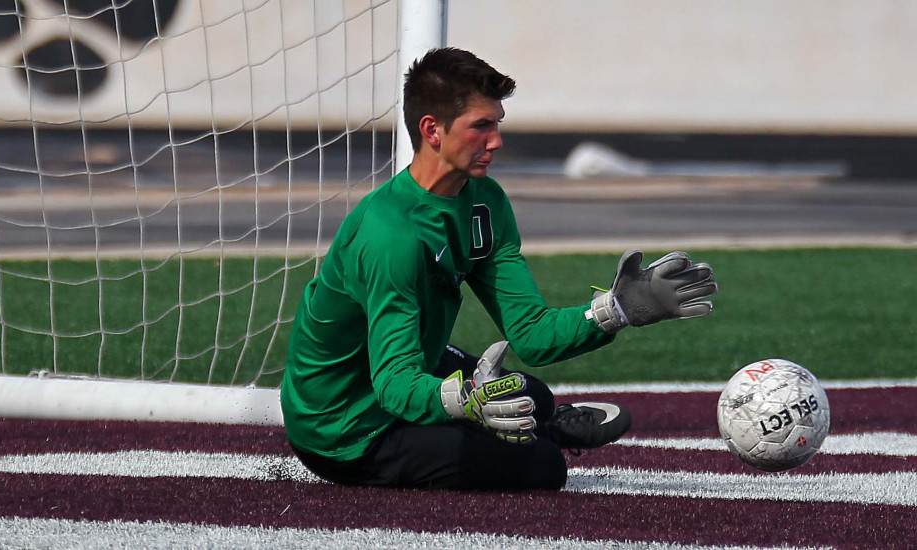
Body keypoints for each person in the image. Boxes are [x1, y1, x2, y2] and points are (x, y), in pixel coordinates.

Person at [279, 47, 717, 491]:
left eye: (497, 123)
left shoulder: (485, 202)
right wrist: (466, 401)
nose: (496, 141)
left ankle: (533, 423)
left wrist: (617, 310)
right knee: (544, 467)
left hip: (403, 375)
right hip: (343, 427)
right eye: (481, 126)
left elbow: (530, 333)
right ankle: (538, 436)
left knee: (534, 398)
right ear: (432, 130)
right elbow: (393, 383)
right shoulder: (389, 235)